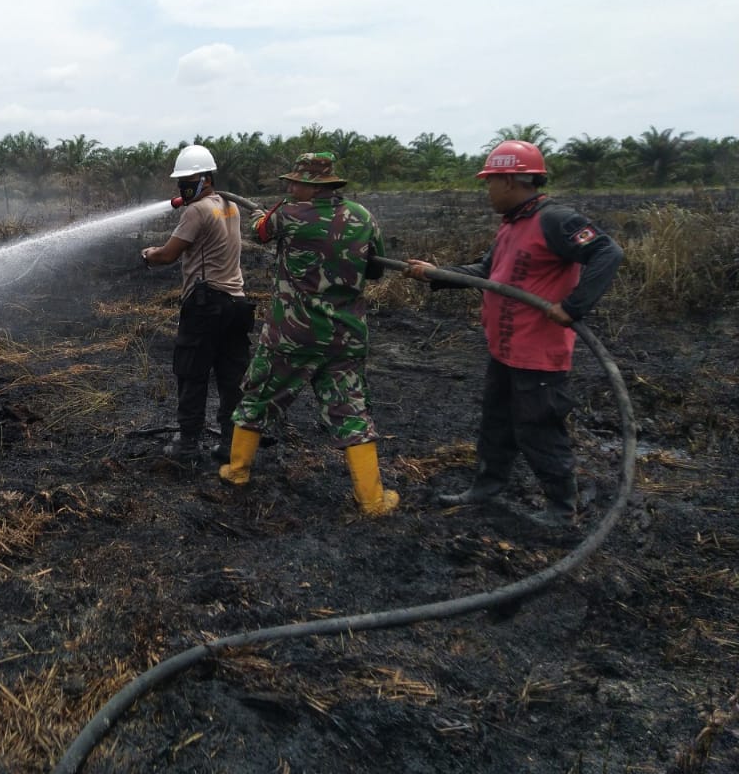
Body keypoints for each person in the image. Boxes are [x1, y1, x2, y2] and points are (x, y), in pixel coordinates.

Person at [404, 140, 623, 529]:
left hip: (538, 355)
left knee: (539, 429)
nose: (487, 190)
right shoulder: (513, 224)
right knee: (496, 424)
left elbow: (608, 252)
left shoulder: (556, 220)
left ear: (509, 180)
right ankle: (486, 488)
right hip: (505, 349)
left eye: (490, 182)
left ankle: (561, 510)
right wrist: (436, 273)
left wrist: (573, 307)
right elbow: (488, 273)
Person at [219, 152, 399, 517]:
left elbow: (259, 232)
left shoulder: (289, 214)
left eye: (296, 183)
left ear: (314, 186)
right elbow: (375, 270)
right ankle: (372, 500)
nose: (290, 188)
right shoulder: (362, 216)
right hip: (343, 338)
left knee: (258, 397)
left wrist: (263, 214)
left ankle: (236, 472)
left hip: (291, 336)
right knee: (352, 412)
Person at [141, 144, 253, 466]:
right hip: (237, 304)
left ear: (206, 178)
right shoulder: (230, 206)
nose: (182, 188)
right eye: (181, 182)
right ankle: (231, 444)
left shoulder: (196, 211)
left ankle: (187, 444)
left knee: (192, 373)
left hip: (206, 305)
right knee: (231, 377)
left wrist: (149, 255)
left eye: (188, 181)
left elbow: (168, 255)